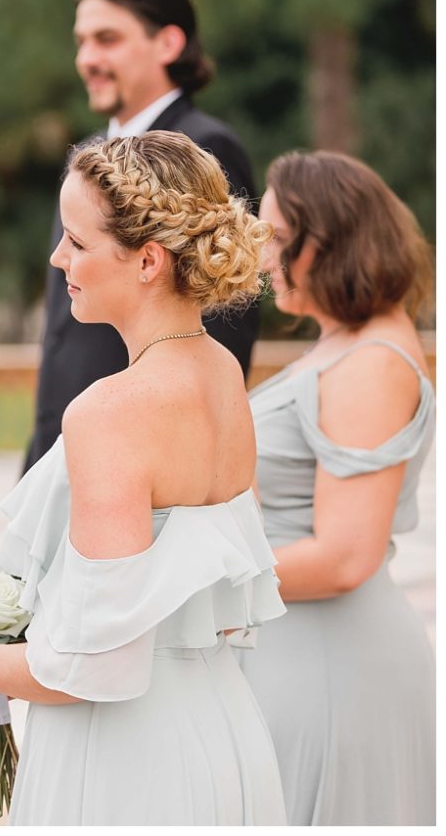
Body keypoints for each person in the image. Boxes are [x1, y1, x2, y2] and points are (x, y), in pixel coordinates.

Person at [0, 132, 286, 824]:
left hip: (132, 757)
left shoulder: (112, 410)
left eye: (77, 242)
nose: (57, 258)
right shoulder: (221, 372)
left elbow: (102, 661)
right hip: (223, 728)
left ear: (148, 261)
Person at [236, 151, 435, 825]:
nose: (261, 258)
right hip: (297, 651)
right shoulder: (344, 344)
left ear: (326, 239)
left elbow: (346, 556)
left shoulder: (372, 364)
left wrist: (190, 579)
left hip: (332, 668)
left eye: (274, 239)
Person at [24, 0, 258, 472]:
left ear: (167, 43)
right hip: (67, 444)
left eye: (107, 39)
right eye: (81, 41)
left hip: (143, 457)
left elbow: (223, 317)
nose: (87, 58)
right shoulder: (87, 155)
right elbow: (63, 336)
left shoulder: (204, 147)